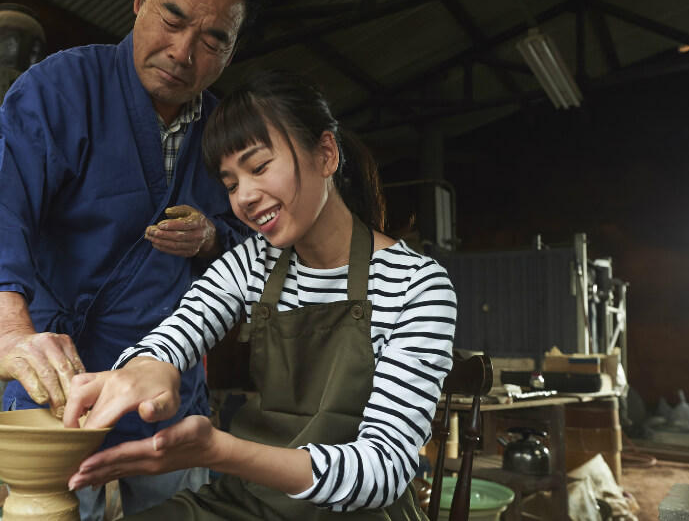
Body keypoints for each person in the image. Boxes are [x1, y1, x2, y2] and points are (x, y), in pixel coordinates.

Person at [0, 0, 261, 516]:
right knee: (47, 507)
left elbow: (259, 245)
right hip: (59, 380)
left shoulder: (225, 133)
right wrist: (13, 337)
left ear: (233, 49)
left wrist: (213, 237)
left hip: (167, 385)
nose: (183, 53)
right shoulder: (58, 90)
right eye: (172, 18)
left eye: (213, 40)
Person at [63, 71, 458, 520]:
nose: (244, 197)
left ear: (325, 154)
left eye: (259, 166)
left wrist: (220, 452)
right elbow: (180, 331)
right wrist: (150, 365)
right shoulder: (254, 261)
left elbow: (383, 470)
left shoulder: (417, 284)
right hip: (254, 503)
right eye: (230, 184)